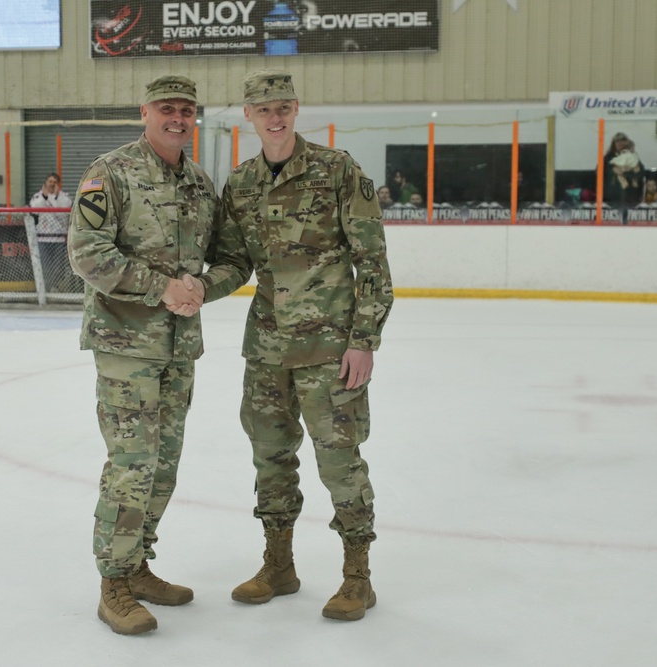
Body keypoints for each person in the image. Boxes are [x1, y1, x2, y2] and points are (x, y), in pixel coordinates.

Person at [186, 70, 393, 622]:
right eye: (263, 110)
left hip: (330, 349)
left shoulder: (337, 170)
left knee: (339, 462)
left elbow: (372, 262)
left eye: (282, 107)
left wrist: (364, 340)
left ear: (296, 109)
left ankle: (358, 577)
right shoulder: (241, 184)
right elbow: (234, 263)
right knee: (270, 460)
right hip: (268, 350)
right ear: (248, 117)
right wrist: (198, 289)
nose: (274, 118)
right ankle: (278, 565)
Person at [67, 75, 218, 636]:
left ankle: (138, 565)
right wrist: (161, 288)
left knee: (163, 466)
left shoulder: (201, 184)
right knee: (131, 465)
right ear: (145, 112)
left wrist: (203, 288)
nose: (176, 117)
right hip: (125, 345)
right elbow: (86, 253)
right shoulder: (110, 172)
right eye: (166, 108)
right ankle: (113, 584)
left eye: (185, 109)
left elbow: (224, 256)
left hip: (179, 348)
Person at [29, 172, 76, 291]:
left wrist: (54, 198)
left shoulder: (64, 197)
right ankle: (45, 287)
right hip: (42, 238)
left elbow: (63, 213)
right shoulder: (37, 197)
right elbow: (34, 210)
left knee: (58, 266)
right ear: (45, 183)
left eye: (55, 182)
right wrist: (45, 198)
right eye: (50, 181)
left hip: (59, 238)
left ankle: (54, 286)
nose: (52, 184)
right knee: (45, 266)